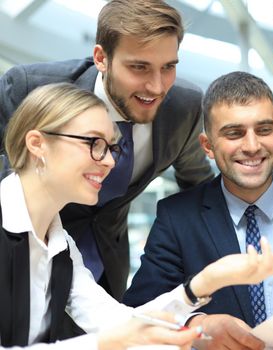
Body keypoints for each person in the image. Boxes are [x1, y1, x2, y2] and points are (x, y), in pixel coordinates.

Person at [0, 82, 273, 349]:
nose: (108, 161)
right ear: (37, 144)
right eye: (94, 143)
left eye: (111, 148)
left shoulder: (59, 243)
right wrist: (103, 345)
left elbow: (117, 321)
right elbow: (114, 336)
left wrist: (204, 283)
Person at [123, 71, 273, 350]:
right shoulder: (177, 219)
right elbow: (138, 314)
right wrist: (195, 326)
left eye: (263, 130)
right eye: (234, 133)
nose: (252, 146)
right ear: (208, 146)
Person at [0, 0, 214, 301]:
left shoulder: (183, 108)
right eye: (139, 67)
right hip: (19, 256)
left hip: (105, 269)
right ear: (101, 57)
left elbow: (197, 190)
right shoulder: (28, 89)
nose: (156, 86)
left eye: (168, 67)